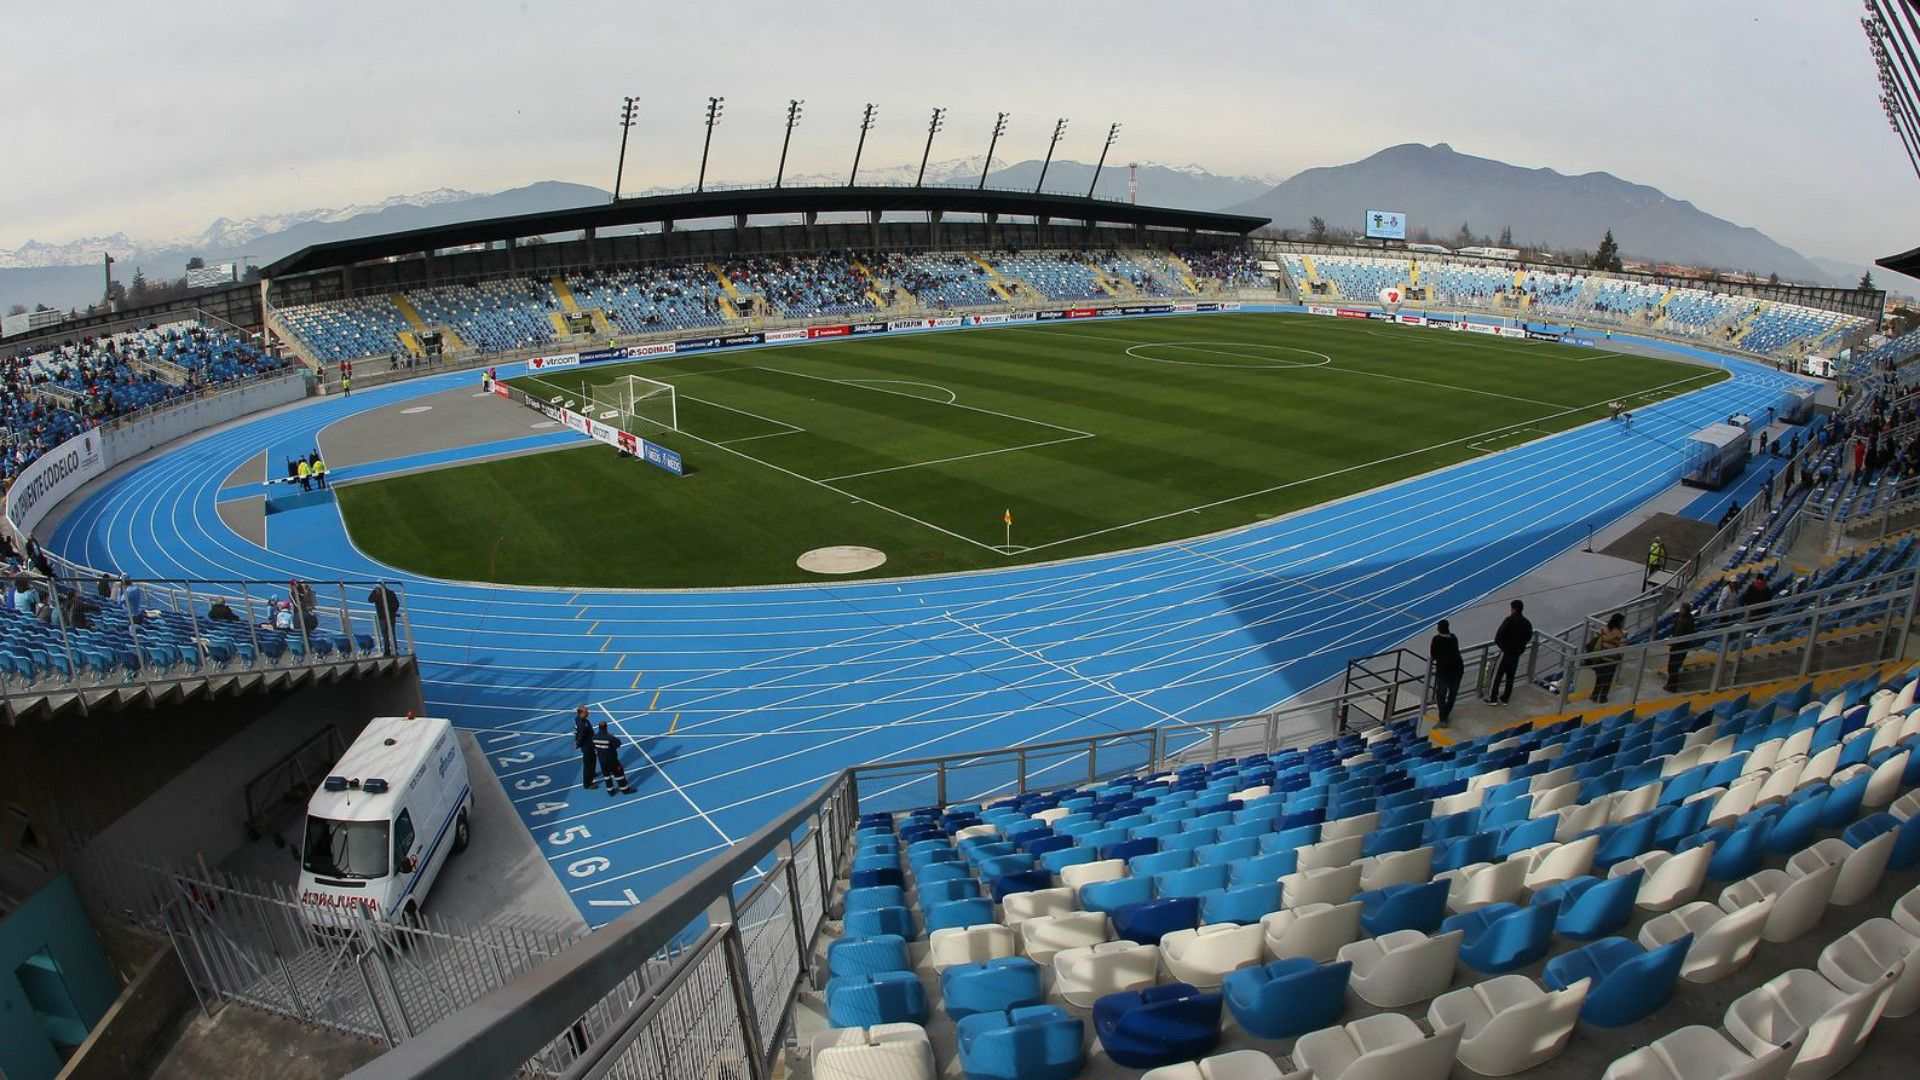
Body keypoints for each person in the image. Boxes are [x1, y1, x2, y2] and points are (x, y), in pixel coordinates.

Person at [1486, 599, 1533, 705]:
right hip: (1516, 654)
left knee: (1497, 675)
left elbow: (1498, 636)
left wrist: (1504, 647)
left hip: (1506, 653)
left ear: (1514, 609)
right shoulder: (1526, 623)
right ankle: (1505, 698)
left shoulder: (1509, 620)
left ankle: (1492, 697)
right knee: (1510, 676)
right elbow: (1528, 637)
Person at [1428, 619, 1464, 727]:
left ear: (1438, 628)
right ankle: (1445, 714)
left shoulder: (1437, 639)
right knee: (1452, 693)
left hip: (1444, 671)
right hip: (1457, 668)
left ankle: (1443, 718)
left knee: (1441, 695)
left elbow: (1433, 654)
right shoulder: (1454, 638)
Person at [1589, 612, 1628, 704]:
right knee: (1608, 679)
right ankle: (1603, 698)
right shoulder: (1620, 634)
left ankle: (1595, 695)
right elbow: (1623, 647)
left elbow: (1595, 638)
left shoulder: (1604, 629)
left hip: (1600, 659)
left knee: (1599, 678)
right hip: (1612, 660)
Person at [592, 721, 635, 796]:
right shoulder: (609, 737)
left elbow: (594, 747)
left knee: (606, 776)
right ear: (606, 727)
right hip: (612, 760)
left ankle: (610, 791)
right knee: (619, 774)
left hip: (602, 760)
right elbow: (618, 743)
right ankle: (624, 789)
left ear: (599, 728)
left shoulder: (594, 737)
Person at [1664, 601, 1696, 693]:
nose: (1680, 610)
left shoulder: (1683, 622)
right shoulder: (1690, 619)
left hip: (1678, 648)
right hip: (1684, 647)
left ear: (1685, 610)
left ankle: (1671, 686)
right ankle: (1672, 685)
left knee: (1673, 667)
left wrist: (1671, 643)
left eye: (1681, 609)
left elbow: (1679, 636)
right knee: (1675, 667)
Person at [368, 582, 400, 654]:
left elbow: (369, 599)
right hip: (390, 617)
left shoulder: (377, 595)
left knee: (385, 635)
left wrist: (374, 592)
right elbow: (397, 604)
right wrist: (392, 611)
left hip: (383, 618)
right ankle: (395, 651)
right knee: (392, 634)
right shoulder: (390, 593)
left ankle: (387, 651)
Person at [573, 706, 598, 790]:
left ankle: (592, 773)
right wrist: (578, 744)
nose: (588, 713)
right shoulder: (582, 724)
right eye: (586, 712)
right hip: (587, 745)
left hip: (589, 743)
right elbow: (580, 736)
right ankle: (587, 783)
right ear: (581, 713)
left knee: (593, 759)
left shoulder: (579, 719)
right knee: (588, 763)